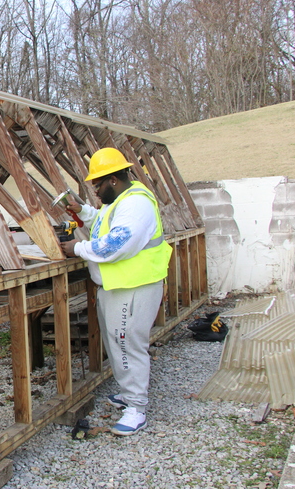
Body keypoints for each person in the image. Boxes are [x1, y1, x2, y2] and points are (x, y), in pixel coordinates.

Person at [59, 147, 172, 436]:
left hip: (134, 286)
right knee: (116, 342)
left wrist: (79, 249)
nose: (95, 190)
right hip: (118, 285)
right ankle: (127, 393)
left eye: (97, 184)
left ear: (113, 180)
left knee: (127, 342)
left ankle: (136, 408)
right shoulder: (119, 201)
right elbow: (103, 221)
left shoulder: (136, 204)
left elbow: (117, 243)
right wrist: (81, 210)